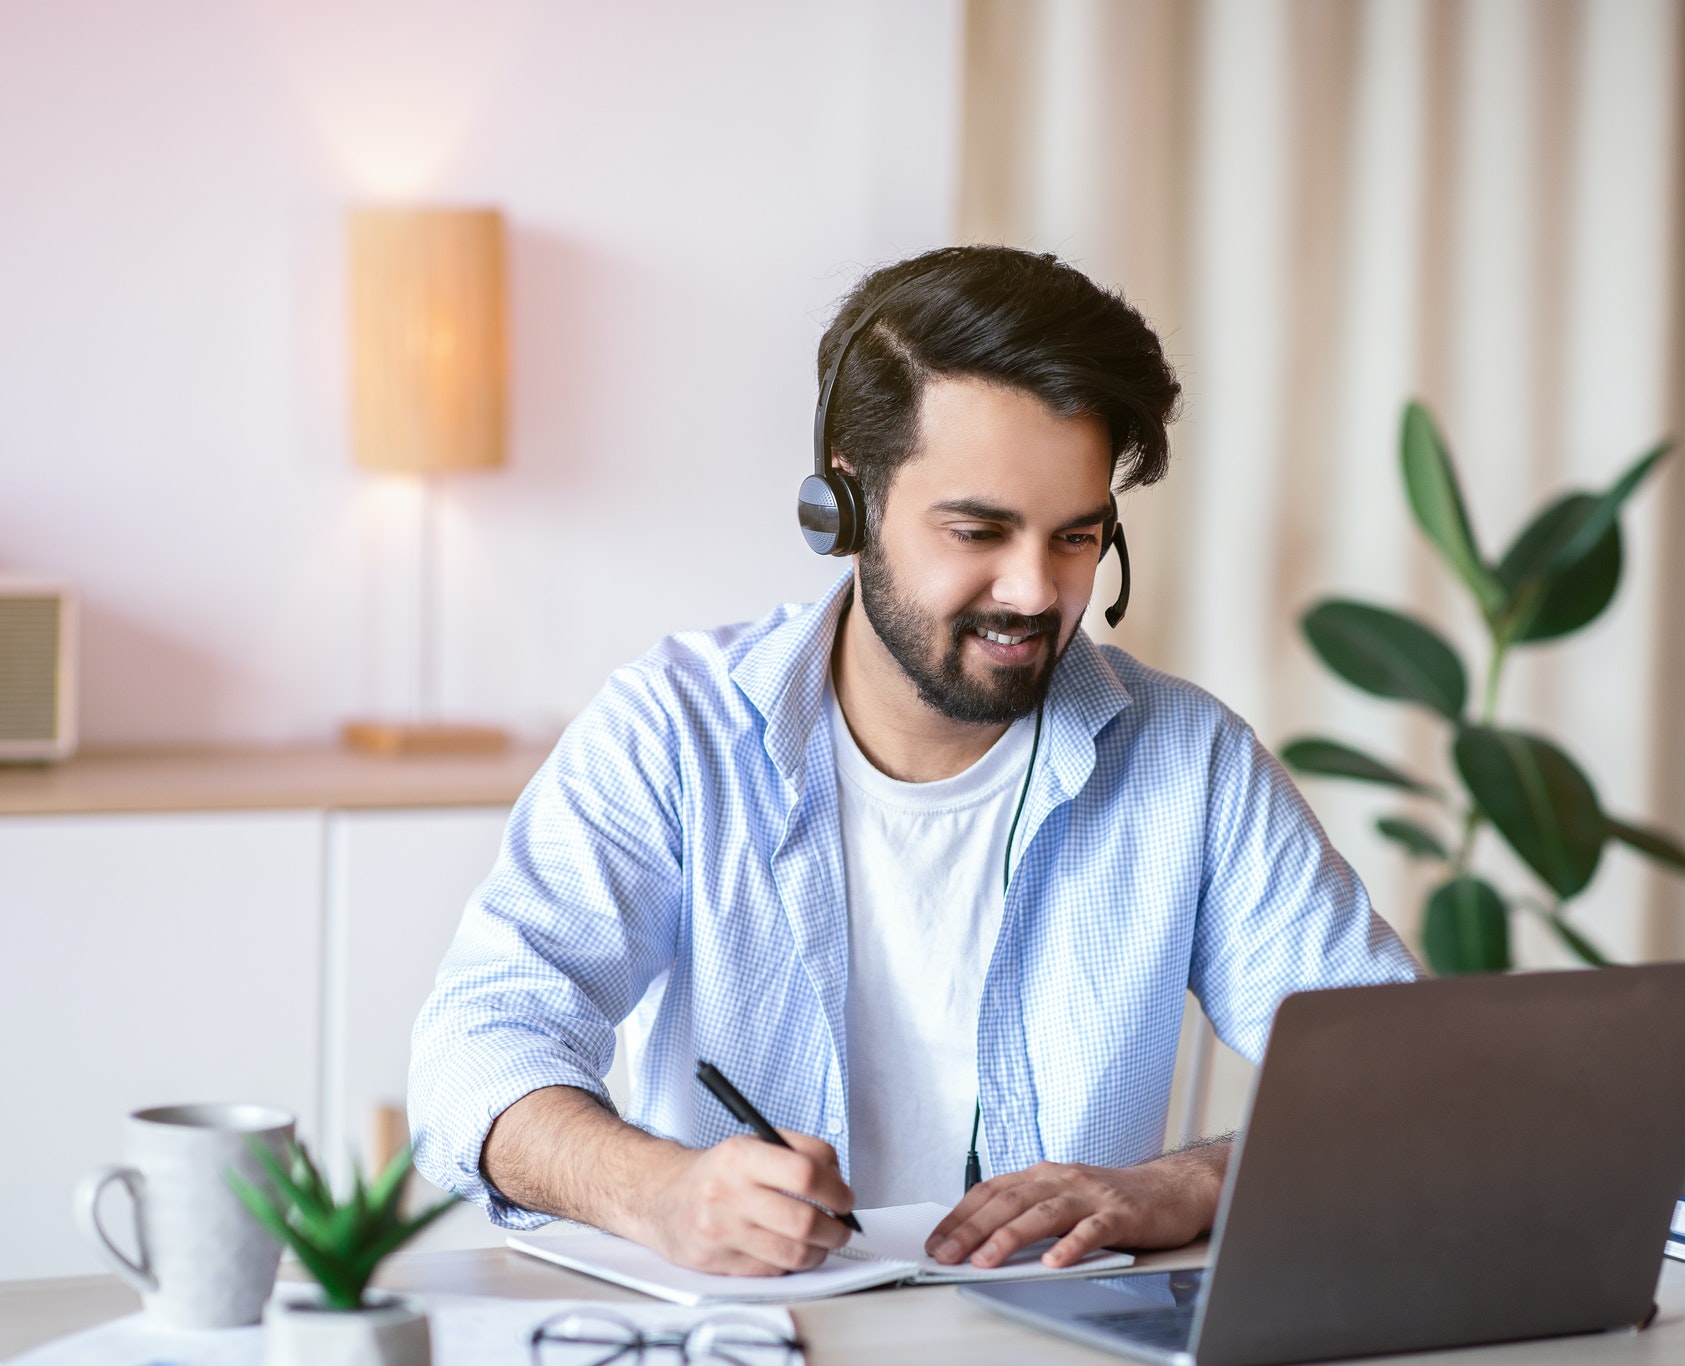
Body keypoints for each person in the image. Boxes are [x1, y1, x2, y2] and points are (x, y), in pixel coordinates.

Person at [409, 245, 1419, 1279]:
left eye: (1075, 537)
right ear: (843, 506)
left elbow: (1403, 1081)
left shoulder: (1190, 762)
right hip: (764, 1332)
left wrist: (1185, 1182)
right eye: (978, 530)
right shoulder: (672, 731)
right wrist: (658, 1192)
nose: (1034, 591)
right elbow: (474, 1051)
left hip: (1057, 1343)